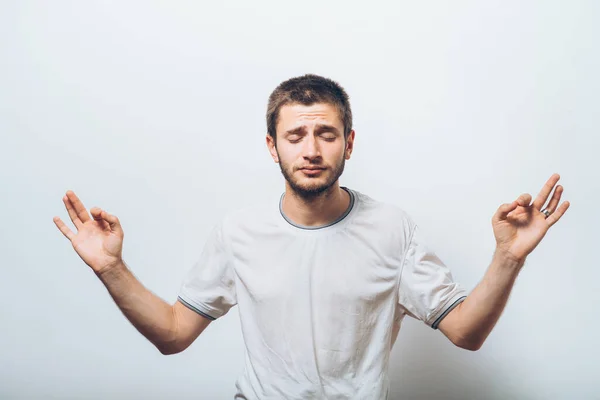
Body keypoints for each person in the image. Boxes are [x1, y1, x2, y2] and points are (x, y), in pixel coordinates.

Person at [53, 74, 570, 399]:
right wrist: (111, 269)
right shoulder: (238, 232)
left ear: (348, 143)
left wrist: (508, 257)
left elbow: (466, 332)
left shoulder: (393, 228)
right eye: (295, 135)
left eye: (325, 134)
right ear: (272, 147)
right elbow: (172, 334)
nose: (311, 149)